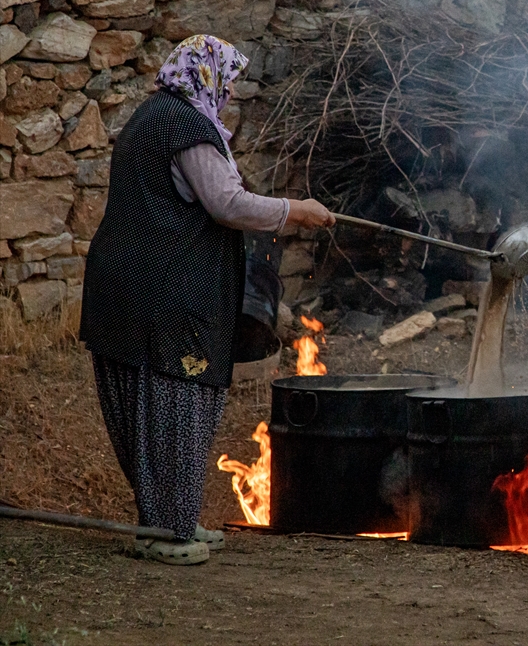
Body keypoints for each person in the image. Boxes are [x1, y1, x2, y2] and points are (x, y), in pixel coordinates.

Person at [79, 35, 336, 565]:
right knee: (176, 400)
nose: (234, 89)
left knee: (153, 405)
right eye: (230, 78)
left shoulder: (154, 116)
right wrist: (297, 210)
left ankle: (170, 519)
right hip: (163, 294)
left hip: (131, 287)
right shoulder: (187, 127)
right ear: (205, 75)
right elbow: (226, 203)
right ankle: (168, 533)